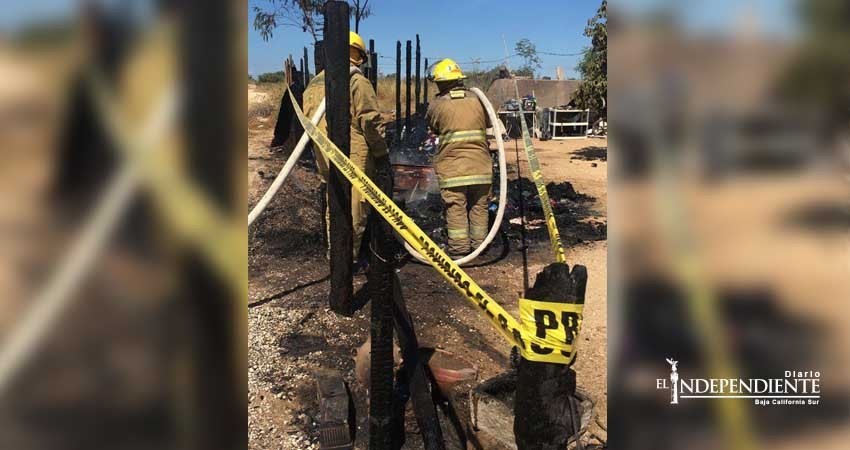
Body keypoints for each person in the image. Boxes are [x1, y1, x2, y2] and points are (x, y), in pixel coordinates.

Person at [302, 31, 388, 262]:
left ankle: (335, 254)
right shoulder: (356, 80)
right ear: (358, 55)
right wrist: (381, 154)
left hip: (323, 155)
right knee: (354, 207)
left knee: (335, 203)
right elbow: (369, 120)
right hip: (352, 155)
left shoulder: (314, 83)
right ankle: (347, 260)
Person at [426, 59, 493, 257]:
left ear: (441, 82)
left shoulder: (437, 105)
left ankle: (459, 248)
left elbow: (433, 127)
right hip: (481, 166)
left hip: (453, 168)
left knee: (456, 208)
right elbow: (488, 122)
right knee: (479, 207)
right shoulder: (478, 100)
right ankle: (480, 245)